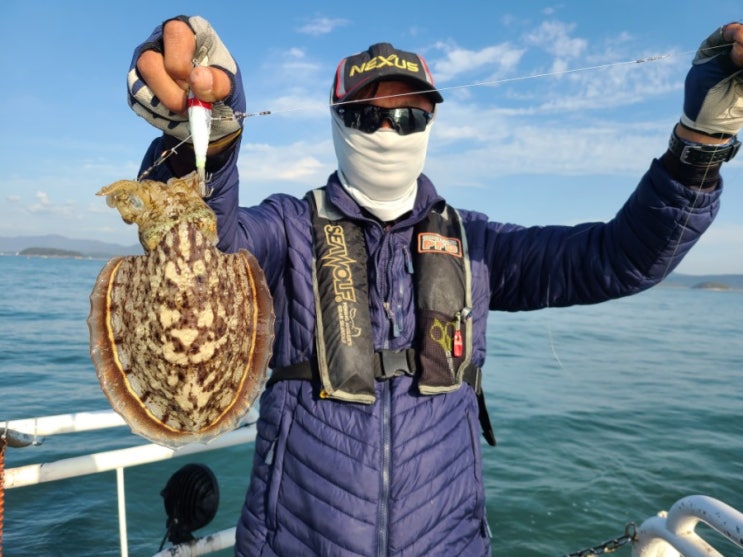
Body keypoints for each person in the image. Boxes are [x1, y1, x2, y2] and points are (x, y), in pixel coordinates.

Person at [127, 15, 743, 557]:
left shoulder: (478, 243)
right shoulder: (286, 229)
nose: (387, 131)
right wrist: (202, 141)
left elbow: (622, 257)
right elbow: (202, 249)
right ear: (338, 121)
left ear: (430, 122)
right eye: (367, 115)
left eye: (407, 115)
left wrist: (701, 144)